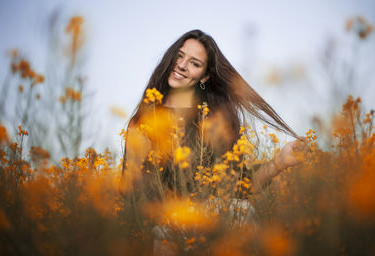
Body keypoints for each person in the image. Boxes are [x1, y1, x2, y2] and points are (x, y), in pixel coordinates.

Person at [119, 29, 307, 254]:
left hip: (215, 224)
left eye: (194, 63)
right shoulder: (144, 121)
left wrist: (279, 162)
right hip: (167, 229)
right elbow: (131, 192)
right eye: (179, 56)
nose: (181, 65)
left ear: (205, 76)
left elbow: (238, 188)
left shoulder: (213, 120)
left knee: (241, 211)